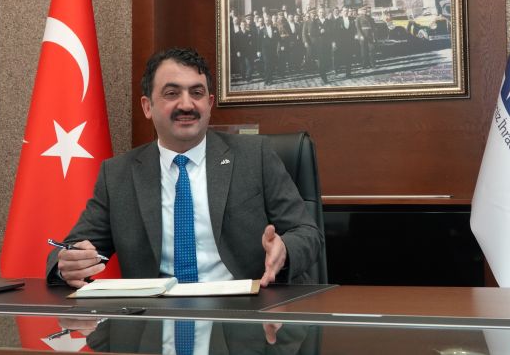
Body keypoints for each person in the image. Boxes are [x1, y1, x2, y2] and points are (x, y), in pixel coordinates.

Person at [46, 47, 323, 288]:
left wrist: (284, 250)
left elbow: (307, 233)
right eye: (172, 93)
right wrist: (66, 264)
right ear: (147, 106)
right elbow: (74, 248)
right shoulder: (118, 175)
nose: (187, 104)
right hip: (155, 317)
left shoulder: (255, 156)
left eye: (197, 93)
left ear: (209, 104)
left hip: (245, 310)